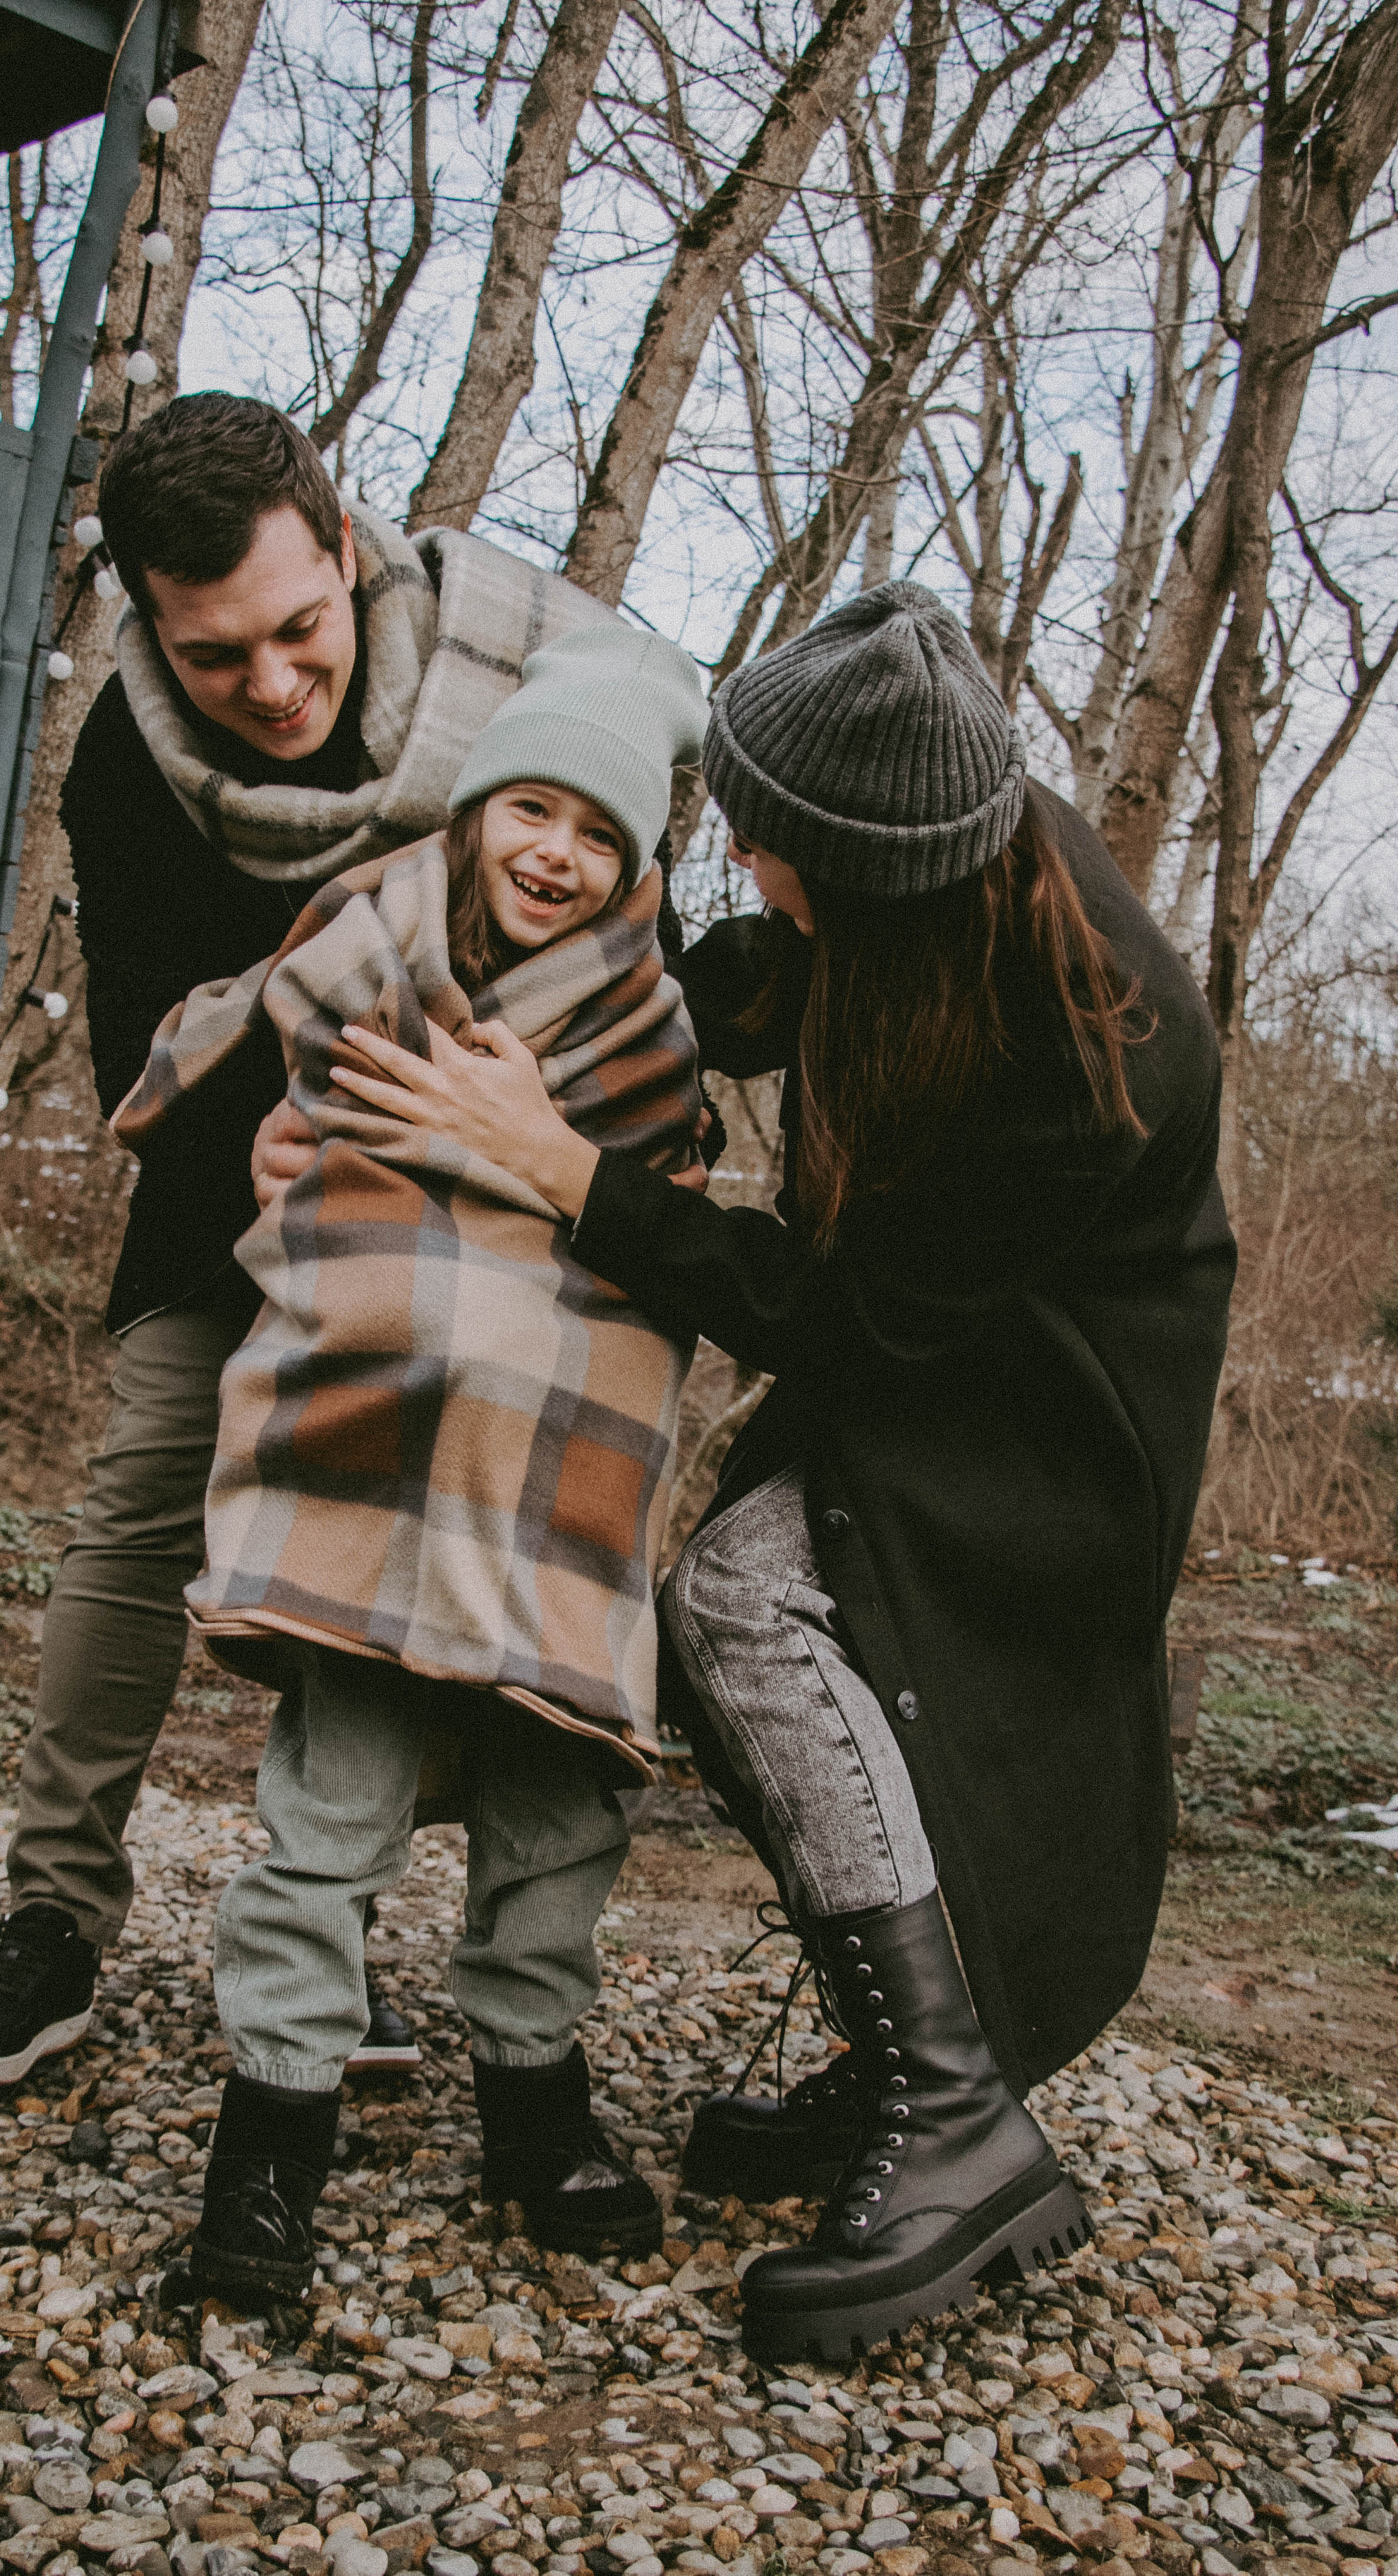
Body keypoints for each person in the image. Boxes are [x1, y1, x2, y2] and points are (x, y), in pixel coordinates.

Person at [296, 581, 1236, 2359]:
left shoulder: (1082, 1027)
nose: (734, 849)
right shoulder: (910, 866)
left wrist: (561, 1170)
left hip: (1054, 1407)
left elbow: (848, 1315)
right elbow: (758, 979)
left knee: (748, 1605)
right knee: (741, 1642)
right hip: (940, 1341)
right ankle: (903, 2061)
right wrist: (548, 951)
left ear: (871, 868)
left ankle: (956, 2118)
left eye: (760, 838)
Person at [0, 394, 643, 2090]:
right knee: (142, 1495)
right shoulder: (121, 759)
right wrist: (270, 1139)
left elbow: (621, 875)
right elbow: (141, 1053)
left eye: (298, 631)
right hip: (236, 1179)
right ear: (153, 626)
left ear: (349, 550)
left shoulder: (503, 678)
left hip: (481, 1196)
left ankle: (329, 1936)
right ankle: (53, 1922)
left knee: (392, 1554)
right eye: (216, 653)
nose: (275, 685)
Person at [109, 627, 708, 2296]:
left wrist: (545, 1163)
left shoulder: (650, 1032)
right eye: (532, 809)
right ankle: (268, 2147)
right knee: (328, 1812)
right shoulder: (361, 949)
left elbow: (649, 1242)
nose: (555, 854)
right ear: (473, 813)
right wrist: (289, 1162)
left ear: (635, 866)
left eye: (599, 836)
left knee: (555, 1818)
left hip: (554, 1491)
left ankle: (536, 2108)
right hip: (368, 1458)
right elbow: (270, 1124)